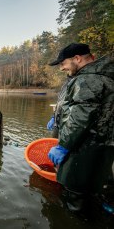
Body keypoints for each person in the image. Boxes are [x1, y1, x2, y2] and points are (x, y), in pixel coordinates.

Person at [47, 43, 114, 213]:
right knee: (93, 192)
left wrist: (64, 145)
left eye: (63, 63)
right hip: (96, 149)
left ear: (77, 58)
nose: (61, 68)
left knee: (75, 199)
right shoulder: (97, 76)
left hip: (84, 150)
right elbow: (77, 107)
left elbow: (81, 116)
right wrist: (56, 117)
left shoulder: (87, 79)